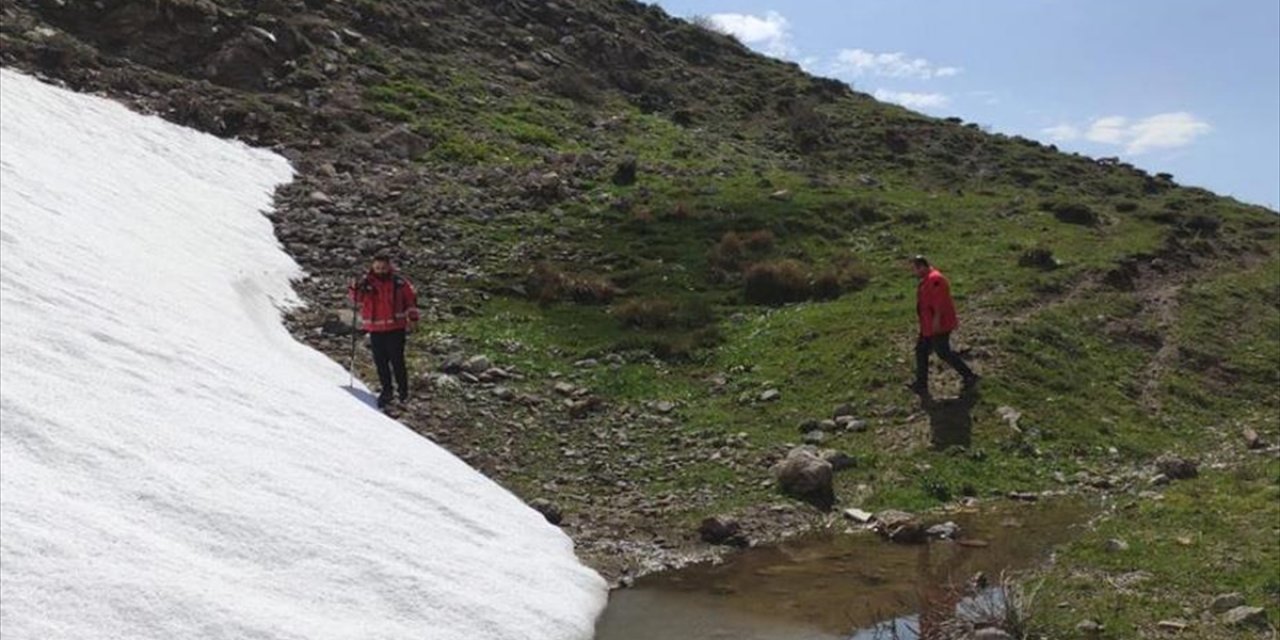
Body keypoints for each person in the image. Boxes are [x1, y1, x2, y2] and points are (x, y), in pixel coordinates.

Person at [349, 254, 420, 408]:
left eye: (383, 267)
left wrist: (413, 318)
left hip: (396, 328)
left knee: (397, 361)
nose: (380, 270)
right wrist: (354, 287)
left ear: (389, 267)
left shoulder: (399, 283)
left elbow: (410, 300)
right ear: (373, 267)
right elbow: (357, 299)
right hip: (375, 329)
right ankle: (387, 391)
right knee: (381, 362)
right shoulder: (366, 282)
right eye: (377, 267)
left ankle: (403, 392)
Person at [907, 255, 978, 394]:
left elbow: (940, 303)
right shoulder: (928, 280)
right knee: (921, 351)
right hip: (928, 325)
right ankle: (921, 384)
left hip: (938, 325)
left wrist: (936, 321)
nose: (913, 273)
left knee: (943, 352)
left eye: (914, 269)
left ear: (922, 267)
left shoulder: (935, 280)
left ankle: (969, 375)